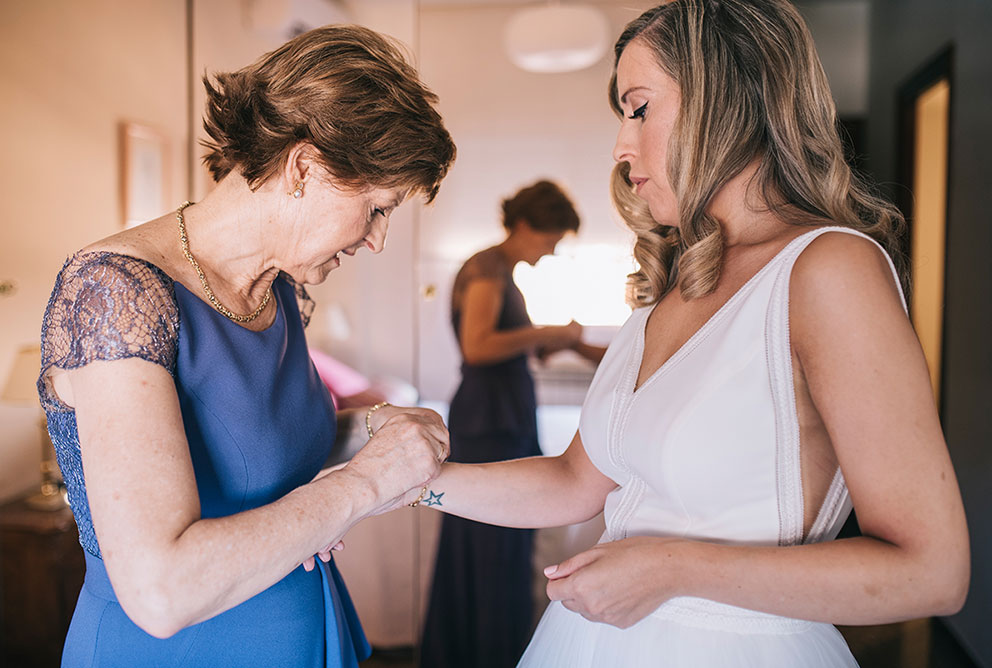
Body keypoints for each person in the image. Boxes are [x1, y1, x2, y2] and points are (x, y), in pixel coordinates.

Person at [409, 2, 970, 666]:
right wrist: (401, 482)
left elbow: (932, 572)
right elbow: (571, 481)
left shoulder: (827, 271)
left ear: (722, 99)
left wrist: (671, 569)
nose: (620, 147)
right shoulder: (675, 284)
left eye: (638, 107)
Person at [37, 25, 455, 667]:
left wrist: (375, 426)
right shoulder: (114, 293)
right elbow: (162, 589)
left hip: (304, 629)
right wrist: (365, 484)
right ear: (304, 168)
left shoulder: (279, 288)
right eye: (376, 207)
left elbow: (255, 439)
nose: (378, 239)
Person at [420, 180, 602, 668]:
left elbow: (511, 341)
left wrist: (561, 342)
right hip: (488, 417)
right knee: (492, 540)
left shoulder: (504, 272)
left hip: (503, 412)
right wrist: (547, 331)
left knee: (505, 539)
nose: (551, 250)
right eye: (549, 239)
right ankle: (484, 654)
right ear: (524, 225)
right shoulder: (486, 268)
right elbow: (478, 346)